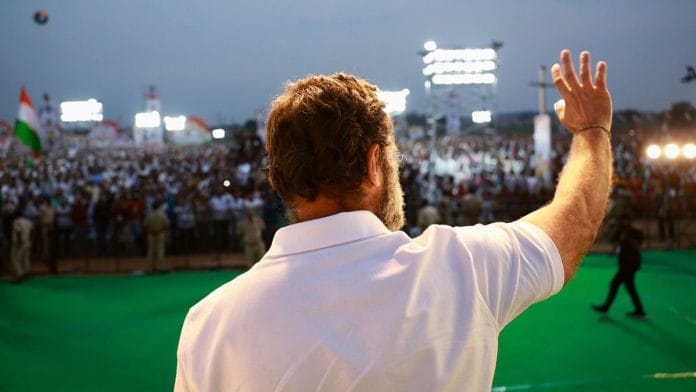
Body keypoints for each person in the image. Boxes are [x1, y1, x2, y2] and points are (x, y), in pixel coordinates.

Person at [175, 49, 614, 391]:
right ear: (372, 165)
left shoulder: (210, 324)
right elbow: (573, 223)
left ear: (282, 181)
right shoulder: (461, 266)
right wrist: (592, 130)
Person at [592, 214, 647, 319]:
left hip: (630, 264)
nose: (622, 223)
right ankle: (640, 311)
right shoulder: (621, 232)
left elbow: (638, 244)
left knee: (615, 284)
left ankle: (606, 307)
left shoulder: (634, 232)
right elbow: (611, 239)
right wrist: (615, 229)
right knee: (629, 287)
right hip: (626, 264)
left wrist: (629, 239)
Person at [143, 199, 169, 272]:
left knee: (151, 252)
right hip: (160, 234)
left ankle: (150, 268)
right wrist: (159, 231)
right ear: (158, 207)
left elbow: (145, 226)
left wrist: (152, 232)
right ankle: (160, 268)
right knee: (160, 251)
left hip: (151, 235)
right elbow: (166, 225)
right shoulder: (162, 214)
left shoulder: (149, 214)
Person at [11, 211, 34, 281]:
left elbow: (18, 231)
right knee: (25, 258)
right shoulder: (28, 221)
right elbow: (33, 231)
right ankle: (26, 273)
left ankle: (19, 274)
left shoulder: (16, 221)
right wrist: (31, 240)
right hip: (27, 241)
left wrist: (18, 242)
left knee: (16, 259)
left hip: (19, 243)